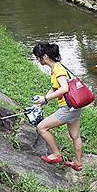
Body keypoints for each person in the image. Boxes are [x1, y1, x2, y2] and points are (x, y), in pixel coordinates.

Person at [32, 42, 83, 171]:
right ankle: (77, 163)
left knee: (42, 127)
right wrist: (44, 100)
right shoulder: (58, 67)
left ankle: (56, 155)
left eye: (38, 57)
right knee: (75, 136)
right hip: (75, 107)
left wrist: (46, 98)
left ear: (44, 57)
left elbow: (64, 88)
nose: (38, 60)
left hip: (67, 108)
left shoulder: (58, 70)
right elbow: (55, 87)